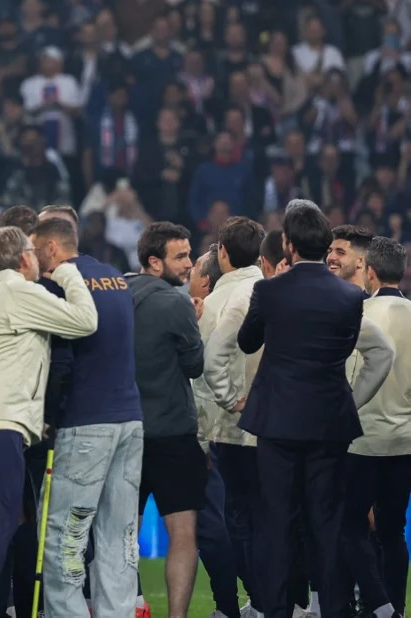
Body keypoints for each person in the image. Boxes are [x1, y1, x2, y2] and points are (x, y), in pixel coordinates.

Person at [237, 202, 393, 618]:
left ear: (286, 243)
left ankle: (277, 609)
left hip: (277, 421)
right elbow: (346, 349)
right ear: (326, 247)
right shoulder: (350, 296)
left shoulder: (269, 290)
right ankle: (333, 609)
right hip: (329, 421)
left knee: (276, 523)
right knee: (326, 522)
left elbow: (248, 342)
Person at [0, 226, 98, 618]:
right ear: (25, 258)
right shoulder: (19, 293)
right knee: (0, 520)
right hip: (1, 425)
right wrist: (65, 272)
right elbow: (84, 320)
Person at [31, 218, 144, 618]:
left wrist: (49, 417)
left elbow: (61, 360)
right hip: (130, 420)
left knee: (65, 533)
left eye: (34, 250)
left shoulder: (59, 284)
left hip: (84, 424)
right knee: (119, 534)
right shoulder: (116, 278)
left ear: (51, 249)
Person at [125, 222, 206, 618]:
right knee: (183, 533)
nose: (190, 263)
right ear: (154, 262)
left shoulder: (116, 293)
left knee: (123, 534)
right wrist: (196, 321)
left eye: (189, 254)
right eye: (181, 256)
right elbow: (194, 365)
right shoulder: (176, 304)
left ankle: (125, 606)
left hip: (125, 434)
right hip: (173, 434)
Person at [198, 218, 268, 616]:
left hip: (224, 430)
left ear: (222, 252)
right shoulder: (271, 291)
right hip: (273, 425)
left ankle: (253, 603)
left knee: (231, 522)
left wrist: (229, 399)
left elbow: (206, 364)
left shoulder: (216, 302)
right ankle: (276, 601)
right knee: (267, 520)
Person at [342, 237, 411, 618]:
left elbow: (350, 376)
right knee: (392, 531)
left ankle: (379, 607)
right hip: (404, 441)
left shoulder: (359, 316)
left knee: (352, 526)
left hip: (362, 440)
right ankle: (395, 608)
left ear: (368, 270)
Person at [327, 224, 374, 290]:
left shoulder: (378, 299)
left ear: (361, 261)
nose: (330, 257)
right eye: (329, 251)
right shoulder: (326, 295)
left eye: (340, 253)